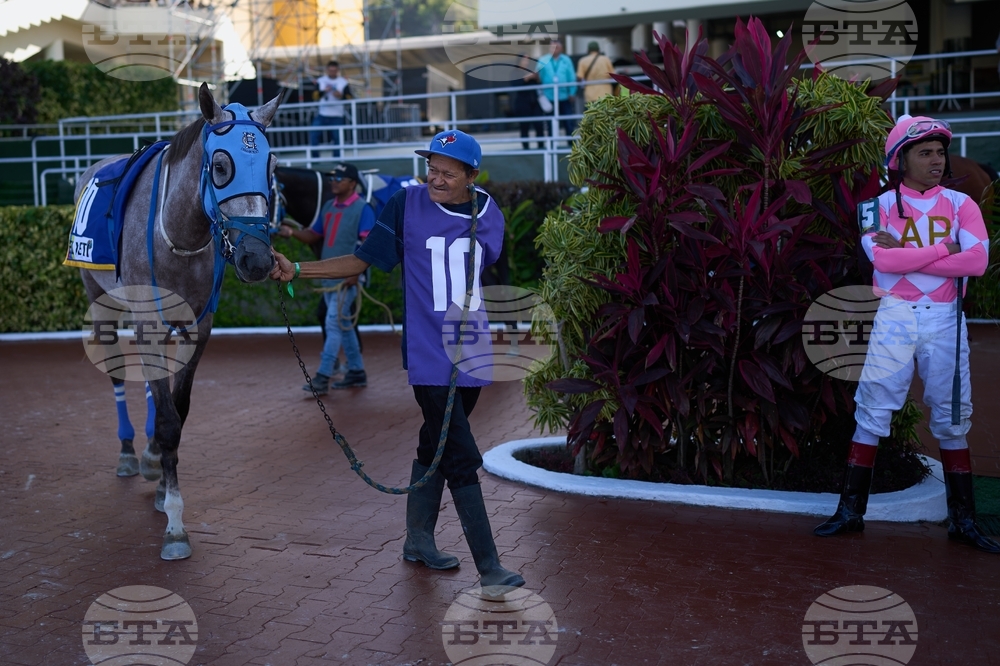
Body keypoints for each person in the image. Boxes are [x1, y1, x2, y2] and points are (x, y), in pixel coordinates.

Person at [270, 130, 525, 590]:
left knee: (436, 443)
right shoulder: (405, 206)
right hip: (429, 353)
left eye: (448, 172)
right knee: (461, 454)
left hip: (472, 349)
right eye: (432, 168)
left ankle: (418, 541)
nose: (436, 178)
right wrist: (300, 268)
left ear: (472, 175)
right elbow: (363, 260)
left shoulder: (488, 212)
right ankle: (490, 568)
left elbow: (484, 267)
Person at [814, 115, 997, 554]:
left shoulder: (961, 203)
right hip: (894, 316)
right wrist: (944, 250)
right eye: (925, 153)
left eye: (939, 152)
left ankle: (964, 521)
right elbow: (883, 262)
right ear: (900, 160)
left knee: (953, 417)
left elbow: (976, 263)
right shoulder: (875, 207)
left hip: (944, 319)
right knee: (872, 409)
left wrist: (910, 256)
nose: (936, 160)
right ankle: (850, 512)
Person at [278, 162, 373, 393]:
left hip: (348, 279)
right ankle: (357, 372)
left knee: (333, 323)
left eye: (339, 178)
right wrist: (291, 232)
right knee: (344, 325)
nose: (334, 182)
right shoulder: (329, 205)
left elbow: (368, 244)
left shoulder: (364, 209)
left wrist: (357, 272)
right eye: (332, 178)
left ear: (352, 183)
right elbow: (313, 235)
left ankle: (323, 376)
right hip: (329, 278)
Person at [530, 37, 578, 139]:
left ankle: (571, 144)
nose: (554, 49)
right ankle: (551, 144)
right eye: (552, 47)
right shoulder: (543, 60)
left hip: (564, 96)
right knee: (550, 122)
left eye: (557, 47)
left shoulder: (566, 60)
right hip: (549, 96)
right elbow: (538, 76)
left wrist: (572, 93)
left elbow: (572, 77)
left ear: (561, 48)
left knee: (568, 121)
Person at [310, 61, 351, 159]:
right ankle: (315, 157)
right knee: (314, 135)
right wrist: (324, 92)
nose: (332, 72)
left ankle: (337, 158)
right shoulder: (321, 80)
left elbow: (350, 97)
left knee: (337, 138)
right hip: (322, 113)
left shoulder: (343, 82)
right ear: (327, 70)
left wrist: (341, 96)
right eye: (331, 70)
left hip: (337, 115)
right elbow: (314, 96)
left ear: (338, 70)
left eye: (334, 70)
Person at [513, 54, 547, 150]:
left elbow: (539, 83)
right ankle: (526, 148)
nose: (526, 62)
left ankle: (541, 147)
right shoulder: (515, 72)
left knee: (539, 125)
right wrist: (527, 78)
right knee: (524, 127)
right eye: (524, 60)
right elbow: (515, 84)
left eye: (527, 61)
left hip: (535, 103)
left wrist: (536, 77)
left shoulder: (531, 70)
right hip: (523, 104)